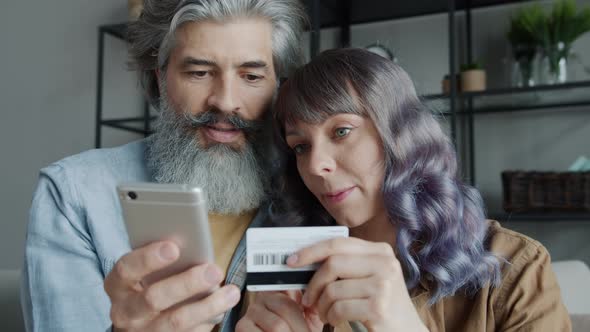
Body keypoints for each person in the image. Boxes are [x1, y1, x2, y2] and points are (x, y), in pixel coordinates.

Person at [237, 48, 572, 332]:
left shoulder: (515, 267)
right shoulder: (284, 273)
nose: (315, 165)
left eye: (341, 131)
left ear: (399, 135)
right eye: (300, 147)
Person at [21, 0, 306, 331]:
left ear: (278, 87)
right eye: (199, 72)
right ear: (159, 79)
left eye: (252, 76)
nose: (226, 101)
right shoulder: (74, 195)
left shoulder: (317, 188)